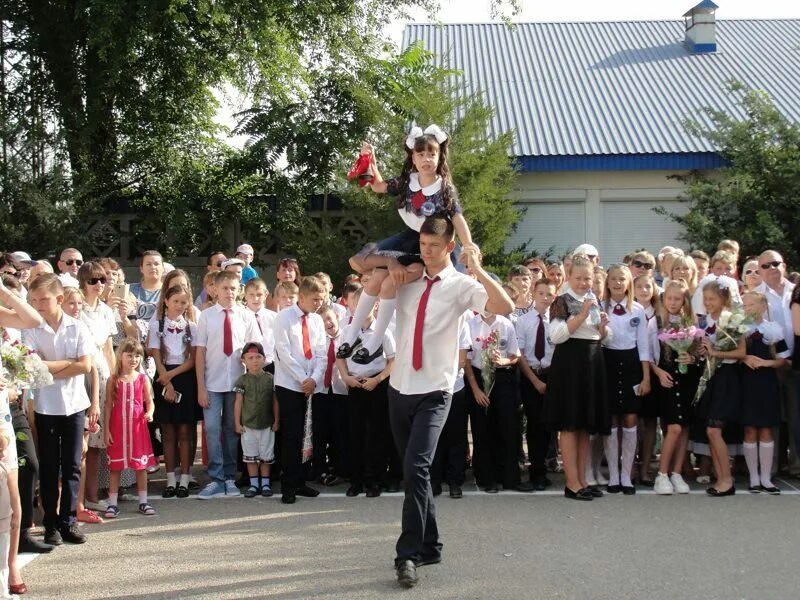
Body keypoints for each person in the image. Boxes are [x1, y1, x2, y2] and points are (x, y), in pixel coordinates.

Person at [388, 216, 512, 588]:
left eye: (435, 247)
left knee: (416, 469)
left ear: (450, 248)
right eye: (423, 246)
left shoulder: (460, 285)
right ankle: (431, 545)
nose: (427, 253)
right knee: (415, 473)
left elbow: (503, 306)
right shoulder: (407, 278)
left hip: (435, 390)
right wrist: (392, 265)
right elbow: (365, 268)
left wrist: (477, 268)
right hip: (398, 388)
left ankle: (407, 554)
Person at [337, 126, 478, 366]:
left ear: (439, 156)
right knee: (367, 267)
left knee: (389, 281)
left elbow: (457, 218)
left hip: (430, 244)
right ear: (413, 157)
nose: (426, 159)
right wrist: (370, 159)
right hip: (408, 237)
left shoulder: (444, 188)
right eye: (420, 154)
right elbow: (378, 186)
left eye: (431, 154)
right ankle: (352, 334)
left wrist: (469, 245)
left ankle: (374, 342)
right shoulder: (407, 182)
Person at [23, 273, 95, 544]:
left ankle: (69, 520)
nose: (39, 305)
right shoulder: (31, 330)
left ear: (59, 299)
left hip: (75, 404)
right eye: (34, 300)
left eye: (43, 300)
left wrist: (48, 366)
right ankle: (50, 522)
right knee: (50, 466)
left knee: (73, 464)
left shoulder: (77, 327)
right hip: (46, 405)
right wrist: (67, 363)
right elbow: (32, 367)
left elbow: (85, 366)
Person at [542, 255, 611, 501]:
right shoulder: (562, 300)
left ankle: (583, 480)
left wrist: (603, 326)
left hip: (592, 361)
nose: (583, 283)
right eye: (579, 278)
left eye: (588, 278)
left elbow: (604, 336)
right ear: (569, 277)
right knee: (570, 425)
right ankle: (571, 483)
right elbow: (557, 336)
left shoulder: (594, 300)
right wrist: (582, 316)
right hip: (570, 363)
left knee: (584, 426)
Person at [194, 270, 260, 499]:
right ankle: (216, 478)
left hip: (236, 384)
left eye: (233, 288)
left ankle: (230, 477)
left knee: (232, 430)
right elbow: (200, 352)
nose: (229, 292)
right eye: (224, 288)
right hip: (212, 383)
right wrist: (201, 386)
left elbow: (255, 349)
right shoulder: (207, 316)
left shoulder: (246, 316)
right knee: (211, 429)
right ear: (215, 289)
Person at [337, 288, 398, 497]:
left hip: (376, 385)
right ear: (352, 305)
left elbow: (393, 360)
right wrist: (346, 377)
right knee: (355, 434)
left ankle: (374, 480)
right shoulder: (347, 331)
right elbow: (340, 357)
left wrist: (377, 379)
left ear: (377, 305)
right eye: (358, 303)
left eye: (369, 303)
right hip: (355, 385)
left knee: (376, 435)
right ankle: (356, 480)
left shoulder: (384, 331)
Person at [273, 276, 328, 504]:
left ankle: (301, 480)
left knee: (308, 434)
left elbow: (322, 352)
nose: (318, 303)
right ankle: (288, 484)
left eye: (322, 299)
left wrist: (314, 378)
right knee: (292, 435)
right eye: (315, 299)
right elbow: (284, 353)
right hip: (289, 384)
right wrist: (303, 379)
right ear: (302, 296)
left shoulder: (316, 320)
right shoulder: (283, 318)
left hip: (311, 385)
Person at [464, 306, 526, 493]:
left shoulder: (505, 323)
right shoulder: (470, 324)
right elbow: (466, 360)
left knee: (507, 428)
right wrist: (475, 390)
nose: (487, 307)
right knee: (483, 429)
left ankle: (509, 478)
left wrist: (504, 361)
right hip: (478, 379)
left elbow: (515, 355)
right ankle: (486, 478)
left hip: (503, 379)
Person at [601, 264, 651, 494]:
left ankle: (626, 474)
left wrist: (646, 377)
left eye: (622, 279)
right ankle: (613, 474)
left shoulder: (638, 310)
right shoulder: (601, 308)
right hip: (608, 362)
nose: (618, 282)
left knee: (630, 418)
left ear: (629, 282)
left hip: (632, 364)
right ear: (607, 282)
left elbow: (643, 345)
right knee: (612, 420)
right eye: (613, 279)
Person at [696, 280, 746, 496]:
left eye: (712, 299)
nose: (708, 303)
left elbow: (741, 352)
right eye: (705, 299)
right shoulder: (704, 320)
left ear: (724, 299)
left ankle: (727, 479)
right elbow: (704, 350)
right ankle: (721, 478)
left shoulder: (734, 321)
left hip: (726, 377)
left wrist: (715, 352)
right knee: (710, 430)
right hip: (710, 376)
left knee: (714, 430)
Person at [148, 283, 198, 498]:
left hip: (184, 376)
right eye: (175, 301)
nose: (179, 305)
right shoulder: (156, 326)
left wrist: (172, 375)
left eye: (183, 302)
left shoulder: (192, 327)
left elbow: (193, 359)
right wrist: (165, 380)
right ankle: (170, 479)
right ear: (166, 301)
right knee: (168, 432)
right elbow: (155, 354)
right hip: (163, 375)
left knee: (185, 431)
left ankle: (185, 479)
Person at [76, 262, 117, 519]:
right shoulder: (76, 308)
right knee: (84, 440)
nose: (98, 285)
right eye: (93, 281)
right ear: (83, 283)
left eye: (101, 280)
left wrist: (114, 380)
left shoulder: (105, 310)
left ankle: (93, 494)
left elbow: (109, 349)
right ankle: (80, 498)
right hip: (81, 373)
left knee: (99, 440)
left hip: (102, 372)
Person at [651, 280, 701, 495]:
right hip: (666, 377)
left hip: (687, 378)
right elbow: (647, 353)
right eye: (669, 298)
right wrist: (658, 372)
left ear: (684, 301)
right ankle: (662, 474)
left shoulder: (691, 323)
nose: (672, 302)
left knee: (684, 426)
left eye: (677, 299)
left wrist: (691, 357)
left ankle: (677, 472)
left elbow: (699, 352)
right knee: (673, 426)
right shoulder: (656, 321)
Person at [740, 291, 790, 494]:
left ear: (763, 307)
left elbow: (783, 358)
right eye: (745, 305)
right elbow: (733, 353)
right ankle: (753, 477)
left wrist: (766, 363)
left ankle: (766, 478)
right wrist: (745, 359)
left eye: (752, 304)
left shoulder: (773, 329)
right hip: (747, 382)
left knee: (767, 430)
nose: (748, 308)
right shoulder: (740, 328)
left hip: (766, 382)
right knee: (750, 429)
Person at [754, 250, 798, 478]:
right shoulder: (755, 296)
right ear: (759, 270)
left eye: (776, 264)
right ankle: (770, 468)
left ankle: (796, 466)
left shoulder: (796, 291)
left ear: (785, 265)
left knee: (796, 417)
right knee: (772, 416)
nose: (771, 268)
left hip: (796, 363)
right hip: (769, 363)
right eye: (765, 266)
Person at [103, 339, 156, 518]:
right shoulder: (114, 379)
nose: (133, 359)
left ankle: (143, 501)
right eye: (129, 355)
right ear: (121, 357)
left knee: (140, 466)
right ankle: (112, 503)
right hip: (118, 428)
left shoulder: (142, 379)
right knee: (116, 466)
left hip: (137, 429)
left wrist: (150, 412)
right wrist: (106, 430)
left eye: (137, 355)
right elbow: (108, 406)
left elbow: (150, 402)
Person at [516, 278, 557, 491]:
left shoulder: (557, 322)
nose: (545, 298)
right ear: (534, 294)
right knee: (534, 424)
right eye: (541, 293)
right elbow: (520, 356)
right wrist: (535, 381)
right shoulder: (523, 322)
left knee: (547, 425)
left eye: (549, 294)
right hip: (531, 375)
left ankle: (543, 469)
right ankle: (535, 472)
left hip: (552, 376)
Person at [233, 342, 279, 498]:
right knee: (251, 456)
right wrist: (237, 423)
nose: (255, 361)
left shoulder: (270, 379)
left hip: (267, 424)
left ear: (264, 359)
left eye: (258, 357)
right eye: (250, 358)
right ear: (243, 360)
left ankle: (265, 483)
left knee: (266, 456)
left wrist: (276, 420)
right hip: (248, 425)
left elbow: (275, 401)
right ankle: (253, 484)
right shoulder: (242, 381)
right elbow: (238, 402)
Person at [314, 305, 349, 486]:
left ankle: (341, 468)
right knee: (319, 432)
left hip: (341, 390)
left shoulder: (346, 337)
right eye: (322, 321)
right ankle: (320, 469)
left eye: (329, 318)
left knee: (340, 431)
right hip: (320, 390)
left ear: (336, 316)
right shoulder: (318, 341)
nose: (327, 323)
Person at [243, 278, 277, 370]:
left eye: (259, 295)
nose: (255, 299)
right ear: (245, 295)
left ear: (266, 295)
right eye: (251, 295)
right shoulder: (240, 317)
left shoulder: (274, 317)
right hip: (248, 367)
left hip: (272, 365)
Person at [0, 434, 17, 599]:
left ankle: (3, 592)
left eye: (3, 449)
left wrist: (14, 516)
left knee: (2, 562)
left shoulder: (5, 467)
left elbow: (13, 495)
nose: (2, 454)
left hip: (4, 520)